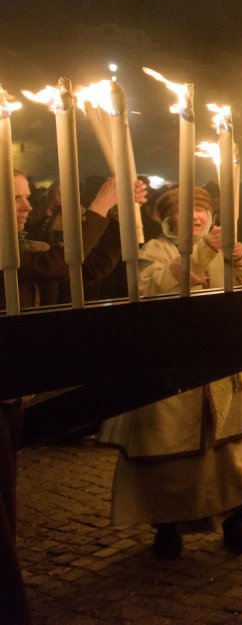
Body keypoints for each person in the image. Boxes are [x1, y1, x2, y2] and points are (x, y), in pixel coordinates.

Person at [96, 186, 242, 559]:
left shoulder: (224, 243)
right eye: (185, 210)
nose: (196, 216)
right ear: (167, 218)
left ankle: (236, 518)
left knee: (231, 450)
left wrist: (241, 256)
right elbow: (150, 288)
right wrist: (200, 255)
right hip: (170, 369)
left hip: (221, 365)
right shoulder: (154, 250)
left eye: (202, 209)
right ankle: (167, 525)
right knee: (169, 451)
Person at [2, 171, 130, 623]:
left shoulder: (25, 247)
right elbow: (56, 265)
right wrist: (97, 207)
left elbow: (89, 269)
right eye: (14, 198)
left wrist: (115, 216)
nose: (27, 206)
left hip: (13, 397)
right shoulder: (9, 254)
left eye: (25, 196)